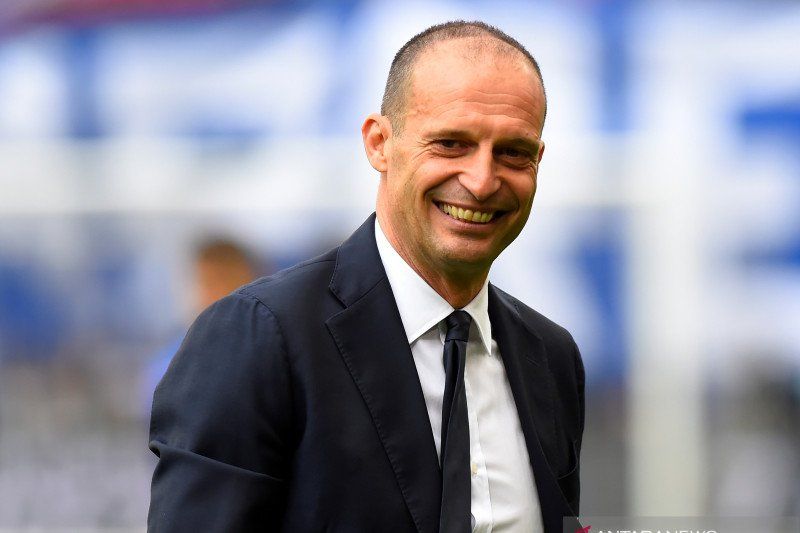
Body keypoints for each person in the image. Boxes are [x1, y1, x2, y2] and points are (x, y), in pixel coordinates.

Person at [148, 20, 584, 533]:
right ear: (379, 143)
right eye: (450, 143)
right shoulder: (260, 336)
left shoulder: (550, 358)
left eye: (513, 152)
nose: (482, 180)